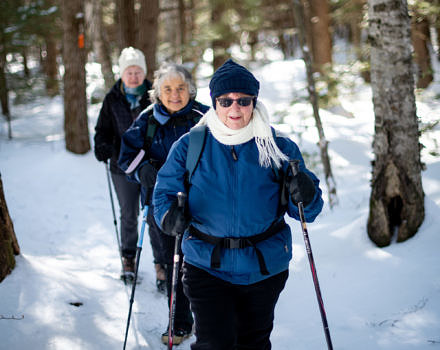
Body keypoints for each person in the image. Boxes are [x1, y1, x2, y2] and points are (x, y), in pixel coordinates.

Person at [153, 59, 324, 350]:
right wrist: (170, 217)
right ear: (214, 103)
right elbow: (163, 195)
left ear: (254, 103)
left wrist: (306, 194)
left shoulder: (278, 146)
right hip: (205, 263)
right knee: (214, 344)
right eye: (226, 100)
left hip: (264, 266)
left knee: (253, 343)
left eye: (243, 101)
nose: (235, 108)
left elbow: (309, 210)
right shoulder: (190, 145)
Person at [118, 62, 209, 345]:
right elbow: (126, 156)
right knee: (174, 263)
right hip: (162, 206)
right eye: (167, 88)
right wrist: (142, 169)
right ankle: (180, 323)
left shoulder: (205, 116)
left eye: (180, 88)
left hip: (204, 203)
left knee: (204, 265)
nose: (174, 94)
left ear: (190, 90)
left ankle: (210, 323)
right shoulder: (148, 119)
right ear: (157, 91)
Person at [93, 47, 159, 284]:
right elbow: (102, 130)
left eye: (138, 71)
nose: (133, 76)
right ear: (122, 74)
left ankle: (160, 264)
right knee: (129, 214)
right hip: (121, 167)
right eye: (129, 71)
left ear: (144, 73)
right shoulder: (112, 98)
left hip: (151, 166)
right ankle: (128, 258)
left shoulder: (155, 95)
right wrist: (102, 146)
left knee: (153, 215)